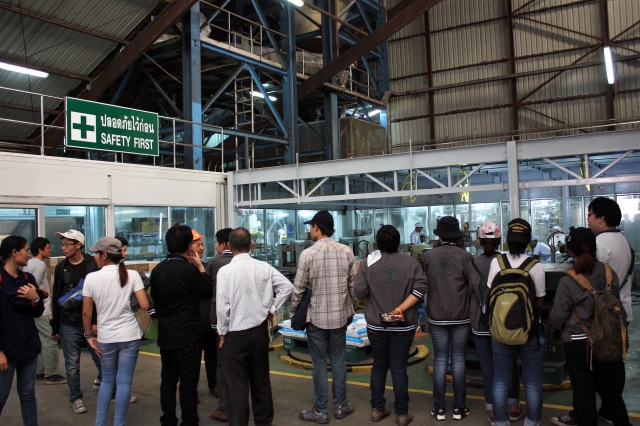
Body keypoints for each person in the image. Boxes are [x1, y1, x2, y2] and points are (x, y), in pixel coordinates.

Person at [216, 228, 293, 426]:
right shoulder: (264, 267)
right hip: (259, 333)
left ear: (229, 246)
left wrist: (222, 333)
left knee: (237, 388)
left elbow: (222, 307)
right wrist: (272, 309)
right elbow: (287, 287)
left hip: (234, 336)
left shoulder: (225, 272)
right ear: (251, 245)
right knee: (261, 383)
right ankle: (264, 422)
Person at [354, 225, 427, 426]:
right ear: (398, 241)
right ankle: (402, 414)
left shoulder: (367, 264)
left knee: (379, 366)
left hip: (377, 326)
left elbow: (359, 293)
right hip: (403, 326)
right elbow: (420, 289)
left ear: (377, 243)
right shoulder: (411, 263)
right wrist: (400, 309)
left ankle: (377, 409)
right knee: (399, 368)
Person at [548, 227, 621, 426]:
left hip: (578, 341)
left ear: (570, 250)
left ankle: (585, 420)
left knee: (583, 386)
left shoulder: (569, 279)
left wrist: (552, 328)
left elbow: (558, 317)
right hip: (606, 337)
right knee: (609, 388)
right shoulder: (609, 272)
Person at [290, 210, 357, 423]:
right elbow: (353, 287)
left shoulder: (307, 254)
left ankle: (320, 411)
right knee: (338, 360)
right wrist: (351, 308)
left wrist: (293, 313)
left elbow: (299, 289)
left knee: (319, 363)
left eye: (311, 227)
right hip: (340, 318)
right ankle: (340, 406)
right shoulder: (346, 252)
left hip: (316, 319)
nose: (310, 231)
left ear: (317, 228)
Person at [81, 237, 150, 426]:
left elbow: (86, 312)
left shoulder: (91, 278)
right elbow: (145, 305)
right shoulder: (132, 275)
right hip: (130, 335)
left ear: (104, 255)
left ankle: (100, 422)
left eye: (96, 253)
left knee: (107, 381)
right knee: (124, 382)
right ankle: (119, 423)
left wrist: (88, 335)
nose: (94, 257)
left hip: (106, 337)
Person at [150, 225, 213, 426]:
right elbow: (207, 292)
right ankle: (189, 421)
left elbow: (155, 301)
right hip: (188, 334)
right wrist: (201, 269)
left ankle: (168, 419)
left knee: (168, 379)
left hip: (166, 333)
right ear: (188, 245)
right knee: (188, 381)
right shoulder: (189, 270)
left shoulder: (158, 270)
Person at [487, 219, 546, 426]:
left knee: (501, 380)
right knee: (532, 382)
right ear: (528, 241)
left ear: (508, 240)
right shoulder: (536, 266)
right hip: (530, 330)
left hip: (500, 329)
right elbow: (540, 301)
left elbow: (490, 294)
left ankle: (501, 422)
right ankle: (532, 421)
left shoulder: (497, 263)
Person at [467, 222, 524, 425]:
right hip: (504, 320)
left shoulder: (473, 264)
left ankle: (493, 410)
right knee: (509, 363)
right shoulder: (506, 261)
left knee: (488, 367)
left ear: (479, 241)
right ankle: (514, 406)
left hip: (480, 321)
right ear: (500, 241)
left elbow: (471, 291)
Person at [587, 197, 633, 426]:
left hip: (603, 317)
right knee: (615, 363)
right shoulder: (622, 239)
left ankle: (615, 414)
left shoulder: (600, 244)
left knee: (601, 371)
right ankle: (607, 409)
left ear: (601, 218)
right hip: (621, 311)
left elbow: (591, 279)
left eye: (590, 215)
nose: (588, 220)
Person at [423, 216, 473, 421]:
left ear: (440, 235)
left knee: (440, 360)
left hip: (437, 316)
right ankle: (459, 408)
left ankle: (439, 408)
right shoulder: (466, 257)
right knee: (459, 361)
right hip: (461, 315)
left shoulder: (428, 256)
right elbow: (472, 286)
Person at [51, 229, 101, 414]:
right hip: (68, 323)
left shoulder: (92, 264)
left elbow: (98, 295)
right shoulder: (61, 267)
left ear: (78, 245)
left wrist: (96, 321)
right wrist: (55, 326)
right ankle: (76, 398)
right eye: (62, 244)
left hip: (91, 322)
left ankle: (111, 390)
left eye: (67, 244)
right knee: (72, 364)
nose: (63, 248)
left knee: (101, 358)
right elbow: (57, 295)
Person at [0, 235, 45, 426]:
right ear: (14, 252)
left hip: (28, 345)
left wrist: (35, 298)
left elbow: (37, 312)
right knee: (1, 395)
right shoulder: (1, 278)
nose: (28, 254)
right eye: (26, 250)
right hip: (6, 348)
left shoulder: (28, 278)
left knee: (28, 394)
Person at [23, 237, 67, 385]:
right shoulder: (40, 264)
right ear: (40, 250)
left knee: (40, 340)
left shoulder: (29, 263)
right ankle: (51, 374)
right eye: (48, 247)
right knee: (50, 339)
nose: (50, 250)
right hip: (42, 310)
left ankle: (40, 371)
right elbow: (33, 287)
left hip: (34, 309)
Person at [206, 228, 234, 422]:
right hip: (244, 324)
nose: (215, 247)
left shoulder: (214, 263)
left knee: (221, 364)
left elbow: (206, 289)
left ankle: (224, 408)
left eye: (216, 243)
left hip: (221, 322)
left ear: (225, 244)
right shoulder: (253, 263)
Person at [190, 229, 218, 401]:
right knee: (192, 360)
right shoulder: (185, 270)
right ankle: (190, 390)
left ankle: (214, 384)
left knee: (212, 356)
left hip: (208, 320)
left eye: (202, 245)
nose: (201, 248)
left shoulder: (208, 266)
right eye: (197, 245)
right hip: (193, 323)